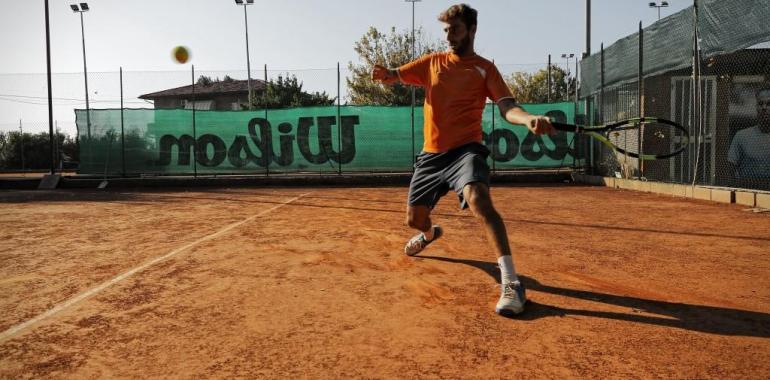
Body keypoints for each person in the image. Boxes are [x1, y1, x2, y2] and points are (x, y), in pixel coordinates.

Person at [371, 3, 554, 316]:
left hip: (466, 150)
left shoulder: (485, 69)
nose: (449, 36)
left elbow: (508, 107)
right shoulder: (431, 63)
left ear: (471, 30)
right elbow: (396, 75)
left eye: (455, 29)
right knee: (414, 220)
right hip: (430, 156)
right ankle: (429, 234)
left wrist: (528, 119)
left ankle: (512, 283)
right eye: (445, 30)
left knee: (478, 198)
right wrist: (385, 75)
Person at [728, 88, 770, 184]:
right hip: (748, 190)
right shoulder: (742, 136)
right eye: (760, 104)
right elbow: (730, 168)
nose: (764, 107)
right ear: (756, 107)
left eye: (769, 104)